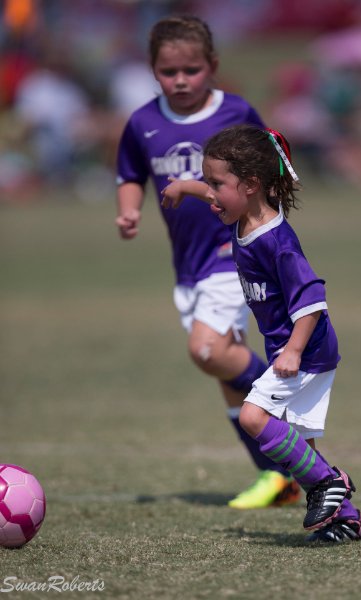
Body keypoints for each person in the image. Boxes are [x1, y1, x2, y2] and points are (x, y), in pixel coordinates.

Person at [115, 15, 300, 509]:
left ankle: (287, 409)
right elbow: (130, 172)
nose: (180, 80)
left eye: (191, 70)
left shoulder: (236, 112)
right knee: (225, 377)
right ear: (153, 70)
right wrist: (129, 209)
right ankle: (279, 476)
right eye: (168, 71)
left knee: (207, 351)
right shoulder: (143, 123)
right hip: (189, 266)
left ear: (213, 66)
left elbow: (270, 168)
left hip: (234, 253)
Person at [162, 123, 361, 543]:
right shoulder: (243, 216)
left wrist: (291, 351)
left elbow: (312, 300)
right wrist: (186, 186)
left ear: (251, 185)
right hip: (292, 350)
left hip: (305, 350)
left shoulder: (278, 241)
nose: (211, 192)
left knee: (255, 417)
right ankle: (348, 520)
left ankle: (331, 484)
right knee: (299, 448)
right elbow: (215, 196)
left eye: (216, 183)